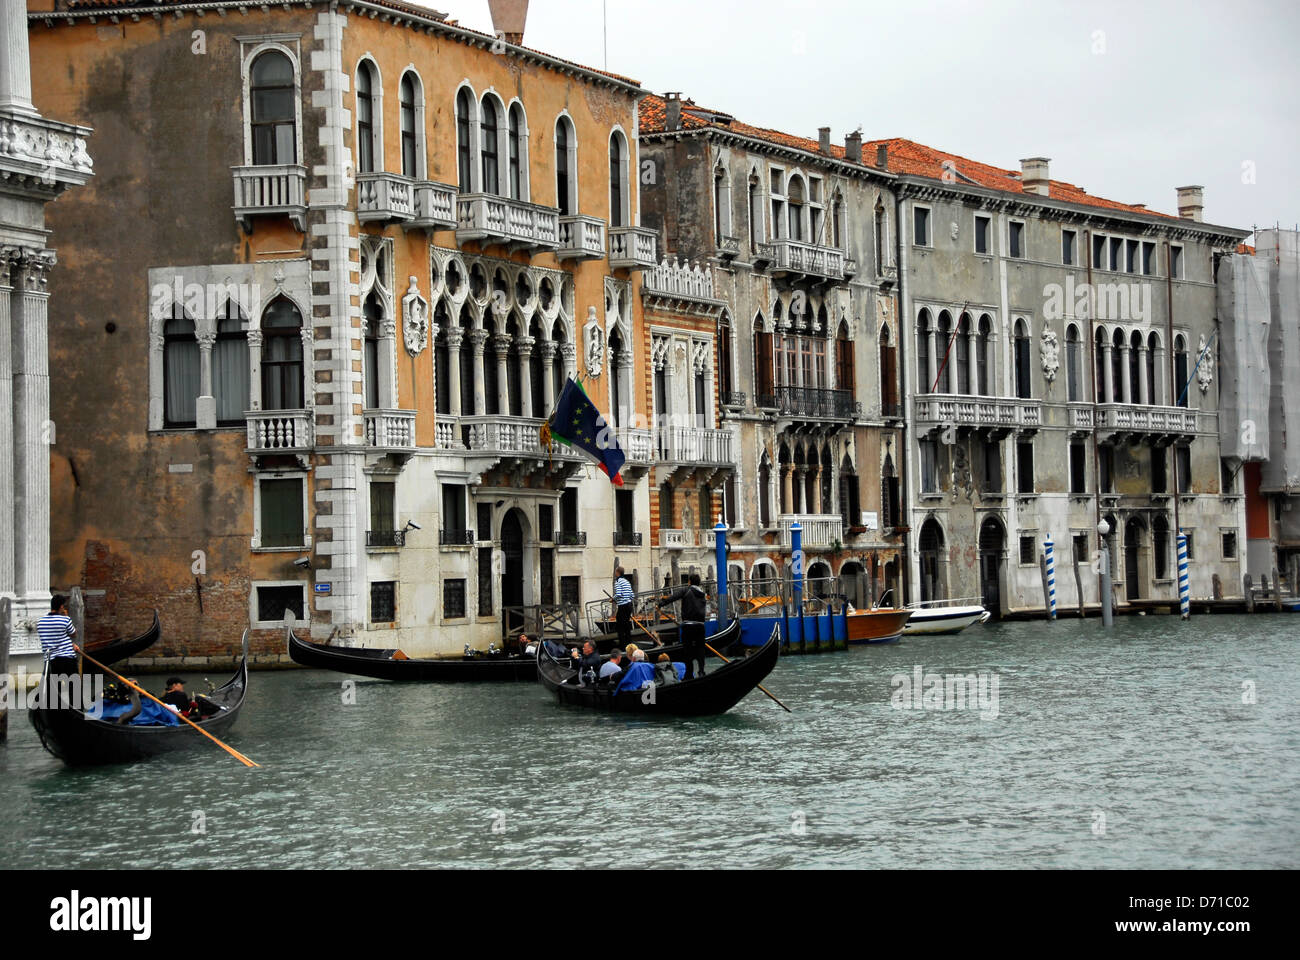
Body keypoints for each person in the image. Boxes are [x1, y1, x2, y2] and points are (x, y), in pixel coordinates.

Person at [664, 573, 708, 680]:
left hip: (688, 625)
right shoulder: (703, 594)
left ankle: (689, 675)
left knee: (687, 651)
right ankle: (701, 672)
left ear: (689, 582)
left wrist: (661, 603)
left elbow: (673, 597)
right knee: (700, 649)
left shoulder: (686, 590)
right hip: (700, 626)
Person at [37, 595, 79, 682]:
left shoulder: (40, 622)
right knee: (75, 691)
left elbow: (52, 638)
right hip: (67, 658)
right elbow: (73, 634)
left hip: (51, 660)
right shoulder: (65, 620)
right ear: (61, 606)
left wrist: (70, 644)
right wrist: (66, 616)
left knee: (53, 691)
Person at [613, 566, 634, 650]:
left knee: (620, 626)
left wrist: (612, 599)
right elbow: (632, 595)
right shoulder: (627, 581)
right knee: (627, 625)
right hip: (629, 605)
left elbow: (618, 594)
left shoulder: (618, 581)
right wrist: (627, 600)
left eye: (615, 572)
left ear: (618, 572)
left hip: (623, 606)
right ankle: (629, 644)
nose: (615, 573)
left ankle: (623, 646)